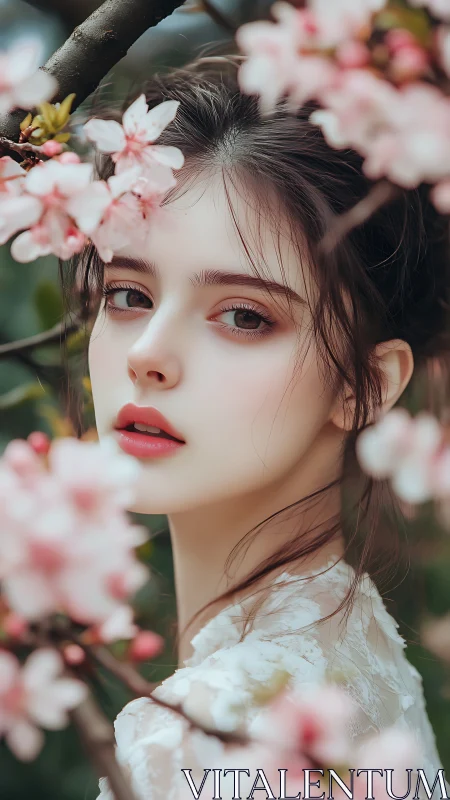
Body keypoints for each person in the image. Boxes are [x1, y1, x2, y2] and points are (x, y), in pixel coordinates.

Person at [71, 56, 450, 800]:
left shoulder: (214, 732)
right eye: (127, 294)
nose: (148, 356)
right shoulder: (357, 656)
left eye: (245, 316)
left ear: (368, 384)